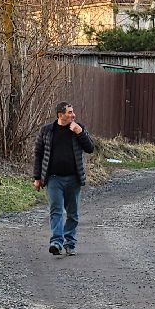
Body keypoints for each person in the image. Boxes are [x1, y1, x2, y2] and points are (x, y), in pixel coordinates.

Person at [33, 101, 96, 256]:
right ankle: (56, 242)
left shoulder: (77, 128)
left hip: (73, 178)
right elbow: (38, 154)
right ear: (60, 115)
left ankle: (70, 243)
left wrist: (80, 133)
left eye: (72, 112)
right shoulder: (47, 131)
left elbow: (90, 148)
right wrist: (37, 177)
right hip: (53, 179)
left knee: (72, 214)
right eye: (69, 112)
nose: (73, 115)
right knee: (56, 210)